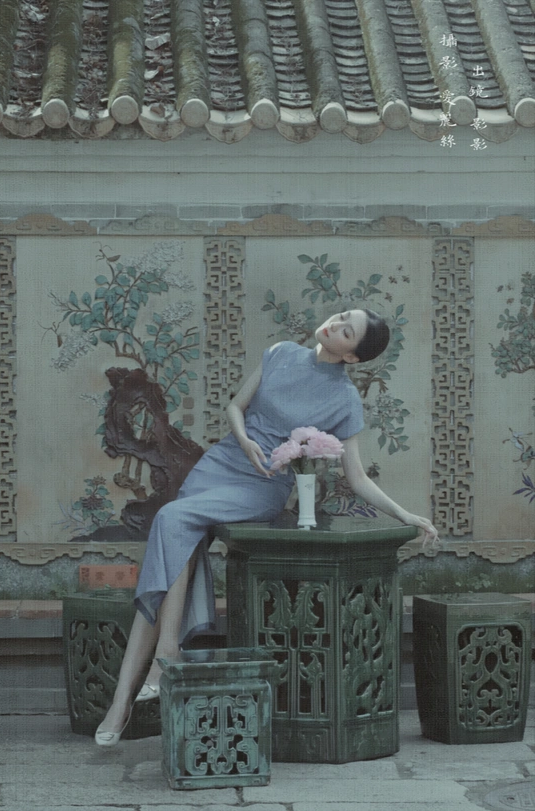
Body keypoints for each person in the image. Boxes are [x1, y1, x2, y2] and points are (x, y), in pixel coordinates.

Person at [95, 307, 437, 746]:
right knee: (172, 550)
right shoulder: (281, 352)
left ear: (351, 356)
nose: (334, 324)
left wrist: (405, 515)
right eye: (341, 316)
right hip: (220, 464)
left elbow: (357, 478)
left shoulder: (345, 399)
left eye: (346, 331)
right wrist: (244, 440)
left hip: (261, 486)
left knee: (170, 520)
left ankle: (161, 662)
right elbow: (235, 407)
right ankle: (126, 698)